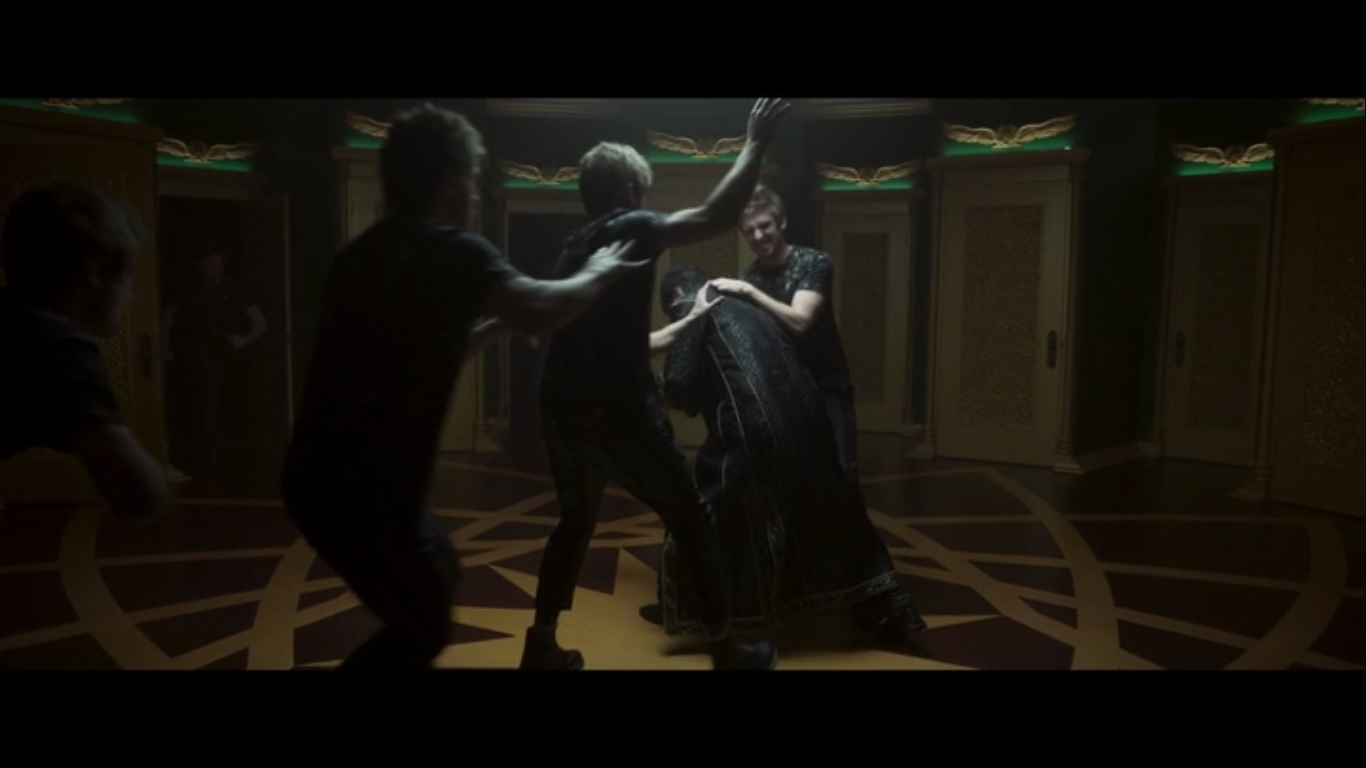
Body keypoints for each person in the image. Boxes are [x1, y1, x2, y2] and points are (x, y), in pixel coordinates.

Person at [279, 103, 646, 671]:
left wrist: (494, 327)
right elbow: (543, 307)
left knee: (439, 570)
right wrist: (599, 272)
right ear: (450, 178)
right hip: (366, 493)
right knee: (425, 622)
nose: (474, 194)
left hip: (317, 480)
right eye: (473, 180)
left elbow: (419, 355)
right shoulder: (454, 250)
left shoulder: (363, 255)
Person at [521, 97, 790, 672]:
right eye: (641, 191)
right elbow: (717, 215)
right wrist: (754, 143)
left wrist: (680, 329)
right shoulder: (633, 225)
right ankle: (726, 651)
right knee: (693, 516)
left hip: (562, 410)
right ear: (628, 190)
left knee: (574, 524)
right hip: (617, 413)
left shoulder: (575, 247)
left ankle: (539, 643)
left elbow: (598, 340)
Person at [646, 264, 927, 645]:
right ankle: (892, 604)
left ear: (677, 295)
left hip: (752, 429)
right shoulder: (750, 307)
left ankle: (685, 607)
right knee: (835, 512)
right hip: (809, 423)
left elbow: (681, 387)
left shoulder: (693, 305)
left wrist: (652, 382)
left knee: (697, 511)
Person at [0, 181, 168, 525]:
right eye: (129, 276)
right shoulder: (57, 346)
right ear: (96, 270)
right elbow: (141, 495)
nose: (131, 296)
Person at [707, 186, 861, 487]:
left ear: (782, 222)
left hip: (827, 384)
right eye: (749, 231)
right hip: (784, 389)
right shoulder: (750, 277)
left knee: (842, 470)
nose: (758, 236)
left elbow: (801, 321)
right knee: (796, 475)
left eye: (764, 225)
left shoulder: (813, 262)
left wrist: (749, 292)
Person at [163, 248, 268, 475]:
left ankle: (227, 453)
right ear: (201, 266)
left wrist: (243, 340)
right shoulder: (191, 290)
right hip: (199, 357)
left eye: (219, 265)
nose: (215, 270)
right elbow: (169, 315)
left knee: (228, 402)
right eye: (211, 265)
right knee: (204, 403)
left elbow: (260, 323)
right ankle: (210, 454)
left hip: (229, 358)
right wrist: (164, 345)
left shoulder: (236, 290)